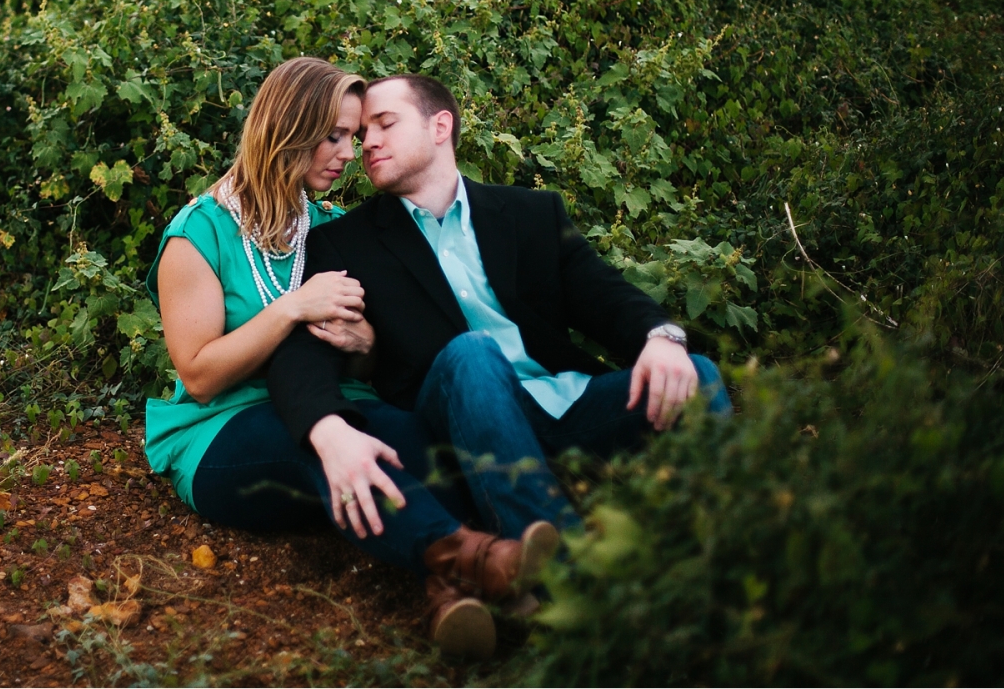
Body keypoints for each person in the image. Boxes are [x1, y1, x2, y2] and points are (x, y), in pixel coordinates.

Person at [146, 58, 557, 660]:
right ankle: (481, 563)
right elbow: (199, 375)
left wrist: (364, 346)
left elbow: (366, 366)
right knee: (322, 441)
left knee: (410, 437)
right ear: (287, 128)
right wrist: (292, 309)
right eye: (334, 135)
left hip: (338, 403)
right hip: (222, 431)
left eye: (355, 135)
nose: (350, 152)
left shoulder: (332, 228)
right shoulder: (197, 235)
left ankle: (451, 583)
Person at [267, 74, 732, 577]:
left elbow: (605, 295)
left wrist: (661, 339)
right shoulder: (346, 244)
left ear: (439, 125)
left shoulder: (531, 213)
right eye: (362, 136)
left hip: (565, 407)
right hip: (457, 425)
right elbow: (305, 352)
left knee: (699, 376)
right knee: (473, 352)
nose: (368, 143)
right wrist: (325, 427)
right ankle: (566, 581)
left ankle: (735, 554)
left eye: (385, 124)